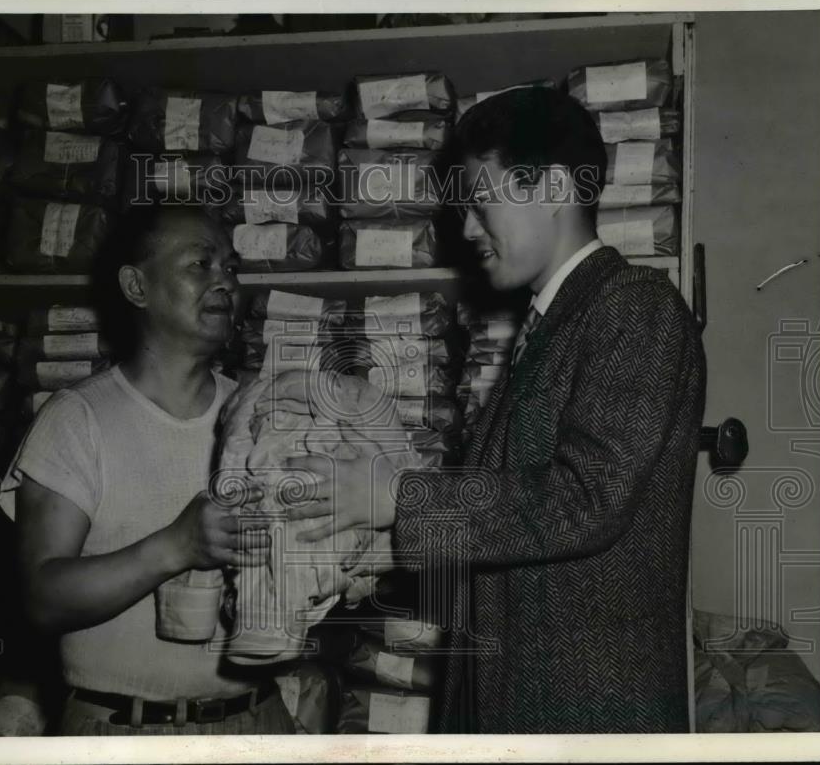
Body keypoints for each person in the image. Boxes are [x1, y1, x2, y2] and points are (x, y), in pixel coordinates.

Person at [286, 87, 707, 733]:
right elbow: (513, 523)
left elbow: (584, 499)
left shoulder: (634, 307)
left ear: (556, 188)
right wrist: (378, 546)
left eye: (482, 204)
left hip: (589, 714)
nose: (466, 229)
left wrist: (400, 499)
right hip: (527, 701)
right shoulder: (551, 327)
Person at [0, 206, 295, 735]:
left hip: (256, 724)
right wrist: (177, 546)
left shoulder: (261, 415)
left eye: (231, 267)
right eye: (200, 264)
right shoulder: (77, 420)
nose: (225, 281)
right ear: (136, 286)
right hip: (122, 732)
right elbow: (42, 599)